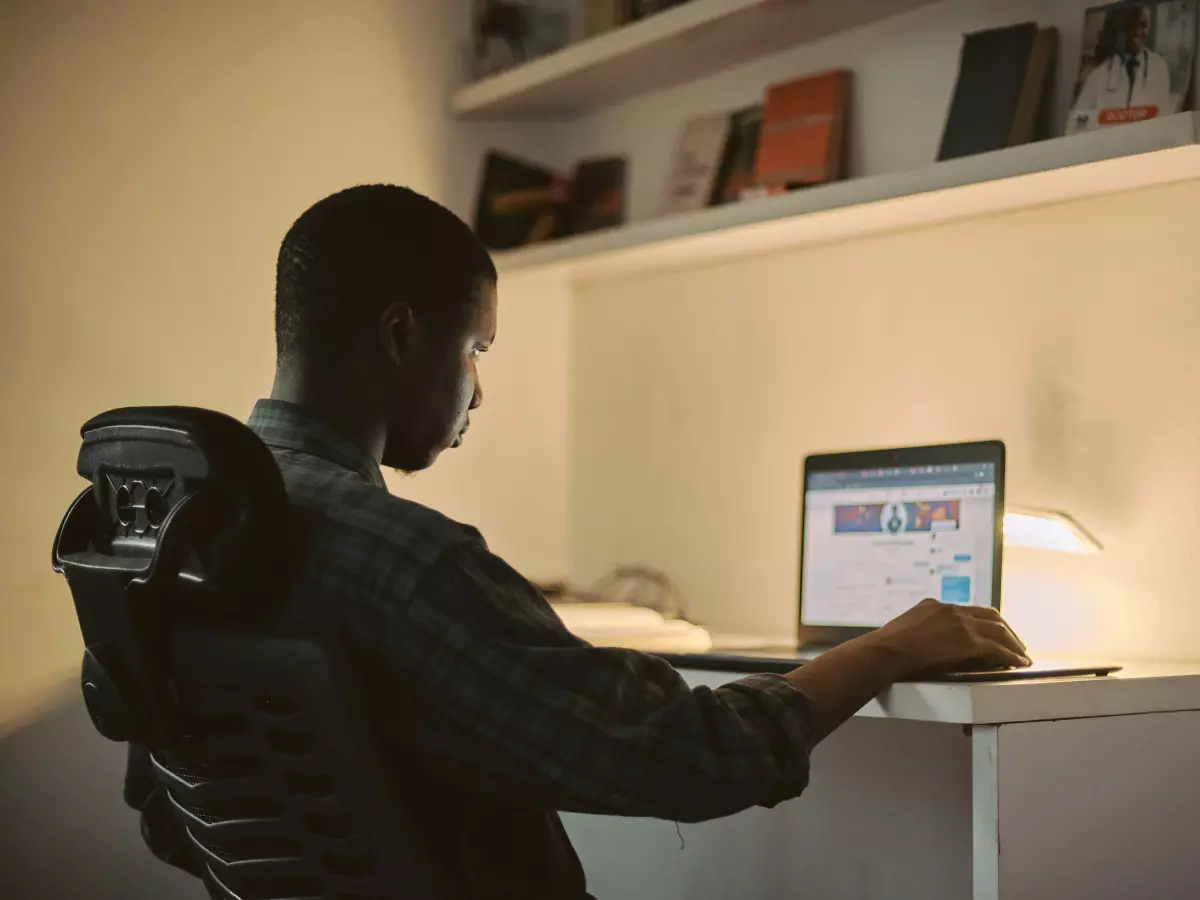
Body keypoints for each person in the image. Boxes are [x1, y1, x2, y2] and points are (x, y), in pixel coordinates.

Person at [127, 185, 1029, 899]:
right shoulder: (403, 559)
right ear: (402, 335)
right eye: (476, 347)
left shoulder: (187, 521)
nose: (477, 391)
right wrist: (890, 647)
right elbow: (688, 757)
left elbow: (172, 818)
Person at [1073, 4, 1173, 116]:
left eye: (1143, 26)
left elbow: (1164, 116)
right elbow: (1077, 124)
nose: (1139, 32)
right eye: (1133, 25)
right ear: (1122, 30)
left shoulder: (1158, 66)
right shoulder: (1099, 75)